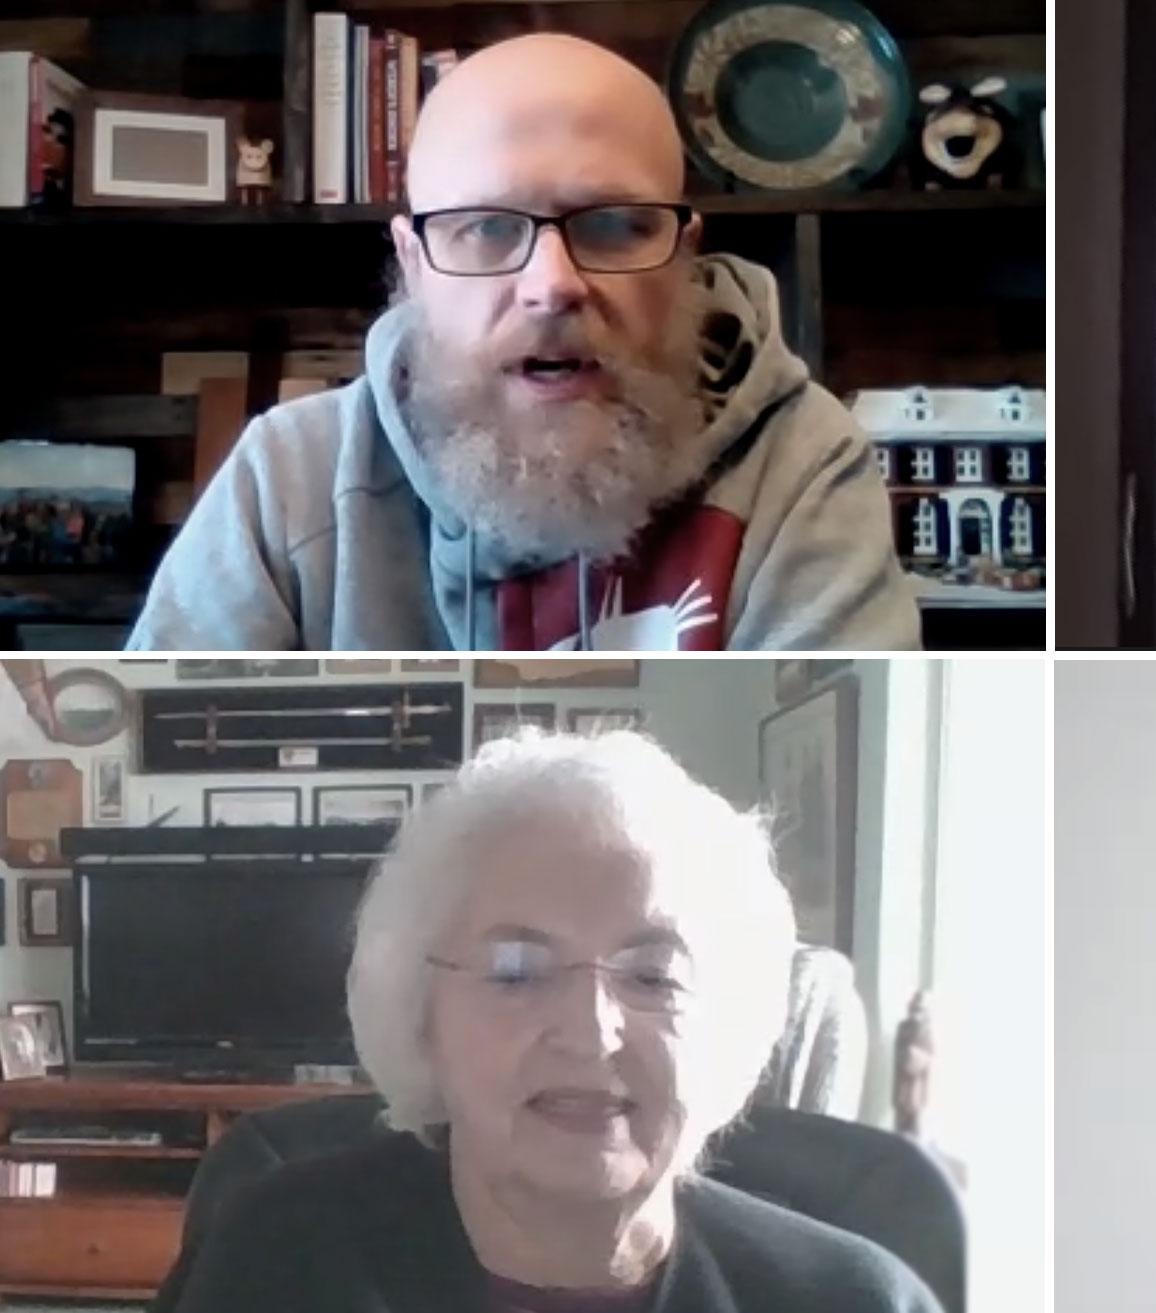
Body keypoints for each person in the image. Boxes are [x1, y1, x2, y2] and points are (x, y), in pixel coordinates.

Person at [129, 34, 919, 651]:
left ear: (683, 252)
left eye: (613, 226)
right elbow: (145, 795)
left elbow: (837, 804)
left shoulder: (801, 463)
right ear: (413, 262)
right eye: (485, 228)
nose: (552, 284)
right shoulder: (288, 476)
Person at [168, 731, 938, 1312]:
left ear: (728, 1025)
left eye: (652, 974)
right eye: (515, 971)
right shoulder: (277, 1259)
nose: (591, 1029)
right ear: (419, 1011)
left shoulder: (859, 1299)